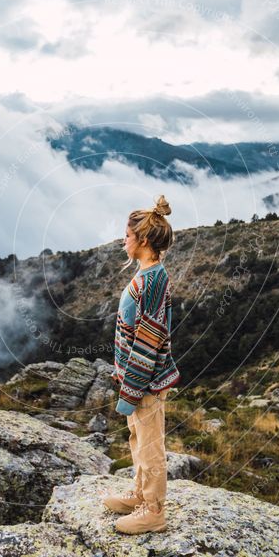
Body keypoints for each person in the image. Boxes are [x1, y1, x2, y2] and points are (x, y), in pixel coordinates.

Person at [103, 194, 181, 535]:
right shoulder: (149, 274)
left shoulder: (150, 282)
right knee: (138, 437)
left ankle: (154, 510)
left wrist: (131, 389)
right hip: (136, 379)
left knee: (151, 444)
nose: (124, 239)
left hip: (146, 381)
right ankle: (139, 493)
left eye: (128, 234)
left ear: (144, 241)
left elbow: (148, 342)